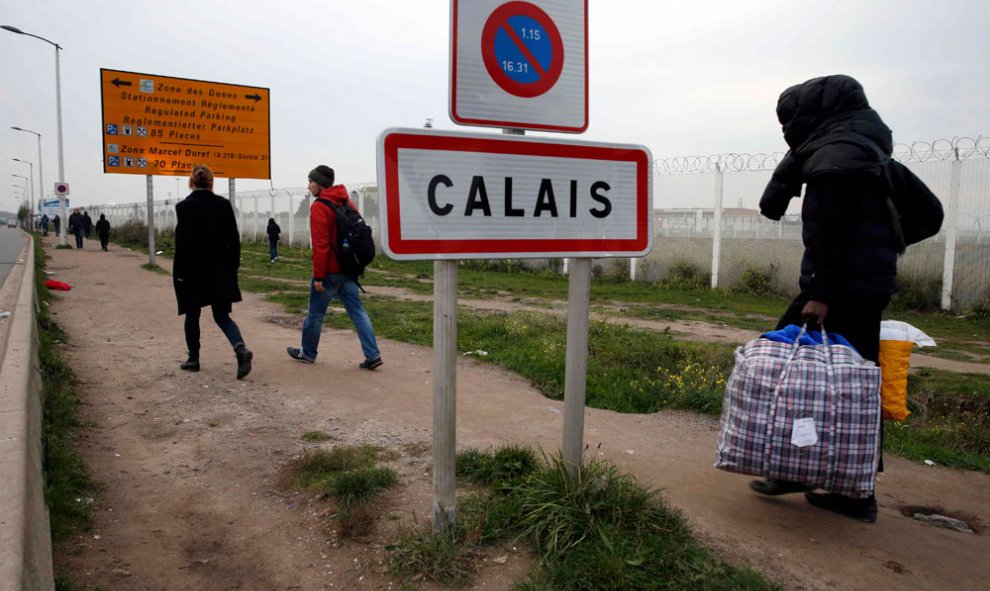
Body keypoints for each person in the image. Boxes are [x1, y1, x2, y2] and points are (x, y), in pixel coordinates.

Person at [751, 75, 898, 523]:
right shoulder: (858, 147)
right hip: (861, 284)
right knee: (826, 381)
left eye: (790, 121)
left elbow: (832, 235)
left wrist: (821, 296)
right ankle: (803, 468)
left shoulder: (838, 160)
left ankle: (853, 493)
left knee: (818, 375)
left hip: (844, 289)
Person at [287, 165, 382, 369]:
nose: (308, 185)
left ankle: (308, 353)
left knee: (315, 313)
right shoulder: (345, 201)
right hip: (348, 269)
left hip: (330, 271)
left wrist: (319, 276)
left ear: (320, 184)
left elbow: (321, 246)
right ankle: (373, 354)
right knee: (357, 311)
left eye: (311, 181)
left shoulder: (320, 207)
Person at [173, 164, 253, 379]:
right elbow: (234, 240)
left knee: (192, 313)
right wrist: (232, 267)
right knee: (221, 315)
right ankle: (240, 349)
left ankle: (194, 359)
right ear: (212, 182)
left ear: (191, 183)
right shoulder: (224, 205)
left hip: (193, 271)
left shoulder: (184, 207)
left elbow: (183, 243)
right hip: (220, 270)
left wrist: (179, 272)